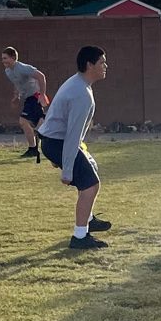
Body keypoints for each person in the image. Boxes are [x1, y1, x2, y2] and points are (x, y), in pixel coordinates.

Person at [38, 46, 114, 251]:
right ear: (90, 65)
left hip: (55, 141)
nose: (105, 66)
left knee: (91, 171)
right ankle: (80, 237)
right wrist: (67, 169)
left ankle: (88, 220)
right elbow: (72, 134)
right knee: (90, 185)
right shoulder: (81, 93)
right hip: (58, 142)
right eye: (102, 62)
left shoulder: (79, 84)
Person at [0, 46, 49, 160]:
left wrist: (42, 95)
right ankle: (44, 123)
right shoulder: (8, 71)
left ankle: (33, 148)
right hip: (28, 98)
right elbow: (17, 83)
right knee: (37, 123)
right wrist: (16, 96)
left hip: (35, 96)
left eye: (5, 58)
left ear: (13, 58)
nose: (3, 61)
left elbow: (41, 76)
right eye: (2, 58)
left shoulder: (22, 68)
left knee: (23, 121)